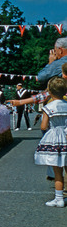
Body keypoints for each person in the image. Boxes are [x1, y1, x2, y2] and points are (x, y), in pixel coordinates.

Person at [34, 77, 67, 207]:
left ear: (50, 92)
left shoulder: (49, 107)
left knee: (58, 172)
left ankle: (58, 199)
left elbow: (43, 126)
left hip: (56, 139)